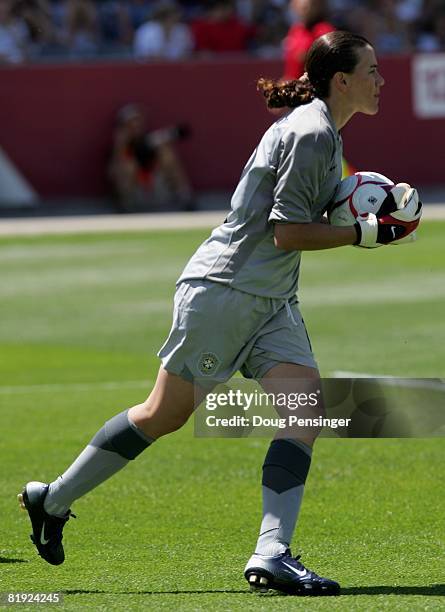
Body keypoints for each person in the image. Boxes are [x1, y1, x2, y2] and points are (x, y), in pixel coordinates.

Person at [18, 31, 421, 596]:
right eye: (373, 71)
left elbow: (306, 213)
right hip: (226, 291)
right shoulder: (310, 133)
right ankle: (52, 499)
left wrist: (371, 202)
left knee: (304, 412)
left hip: (270, 299)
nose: (382, 80)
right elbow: (285, 234)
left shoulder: (321, 131)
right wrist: (364, 230)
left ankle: (272, 553)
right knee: (163, 414)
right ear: (342, 81)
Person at [108, 103, 194, 212]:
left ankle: (185, 197)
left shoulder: (148, 140)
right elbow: (114, 169)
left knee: (166, 152)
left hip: (156, 188)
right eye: (131, 123)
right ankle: (125, 206)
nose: (135, 125)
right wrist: (121, 145)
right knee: (127, 165)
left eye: (137, 121)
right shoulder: (119, 146)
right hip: (135, 193)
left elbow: (171, 135)